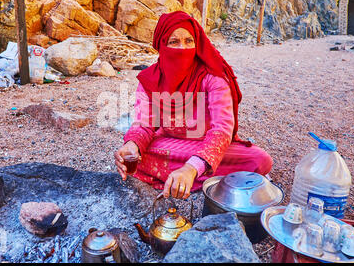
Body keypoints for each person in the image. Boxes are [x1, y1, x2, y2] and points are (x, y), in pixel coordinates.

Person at [114, 11, 272, 200]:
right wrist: (132, 145)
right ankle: (200, 181)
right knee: (133, 156)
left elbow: (222, 129)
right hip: (172, 145)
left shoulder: (212, 77)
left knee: (259, 160)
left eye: (189, 41)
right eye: (174, 42)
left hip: (208, 147)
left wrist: (191, 168)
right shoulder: (150, 79)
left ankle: (184, 177)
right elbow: (144, 124)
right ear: (162, 45)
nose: (183, 48)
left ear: (197, 43)